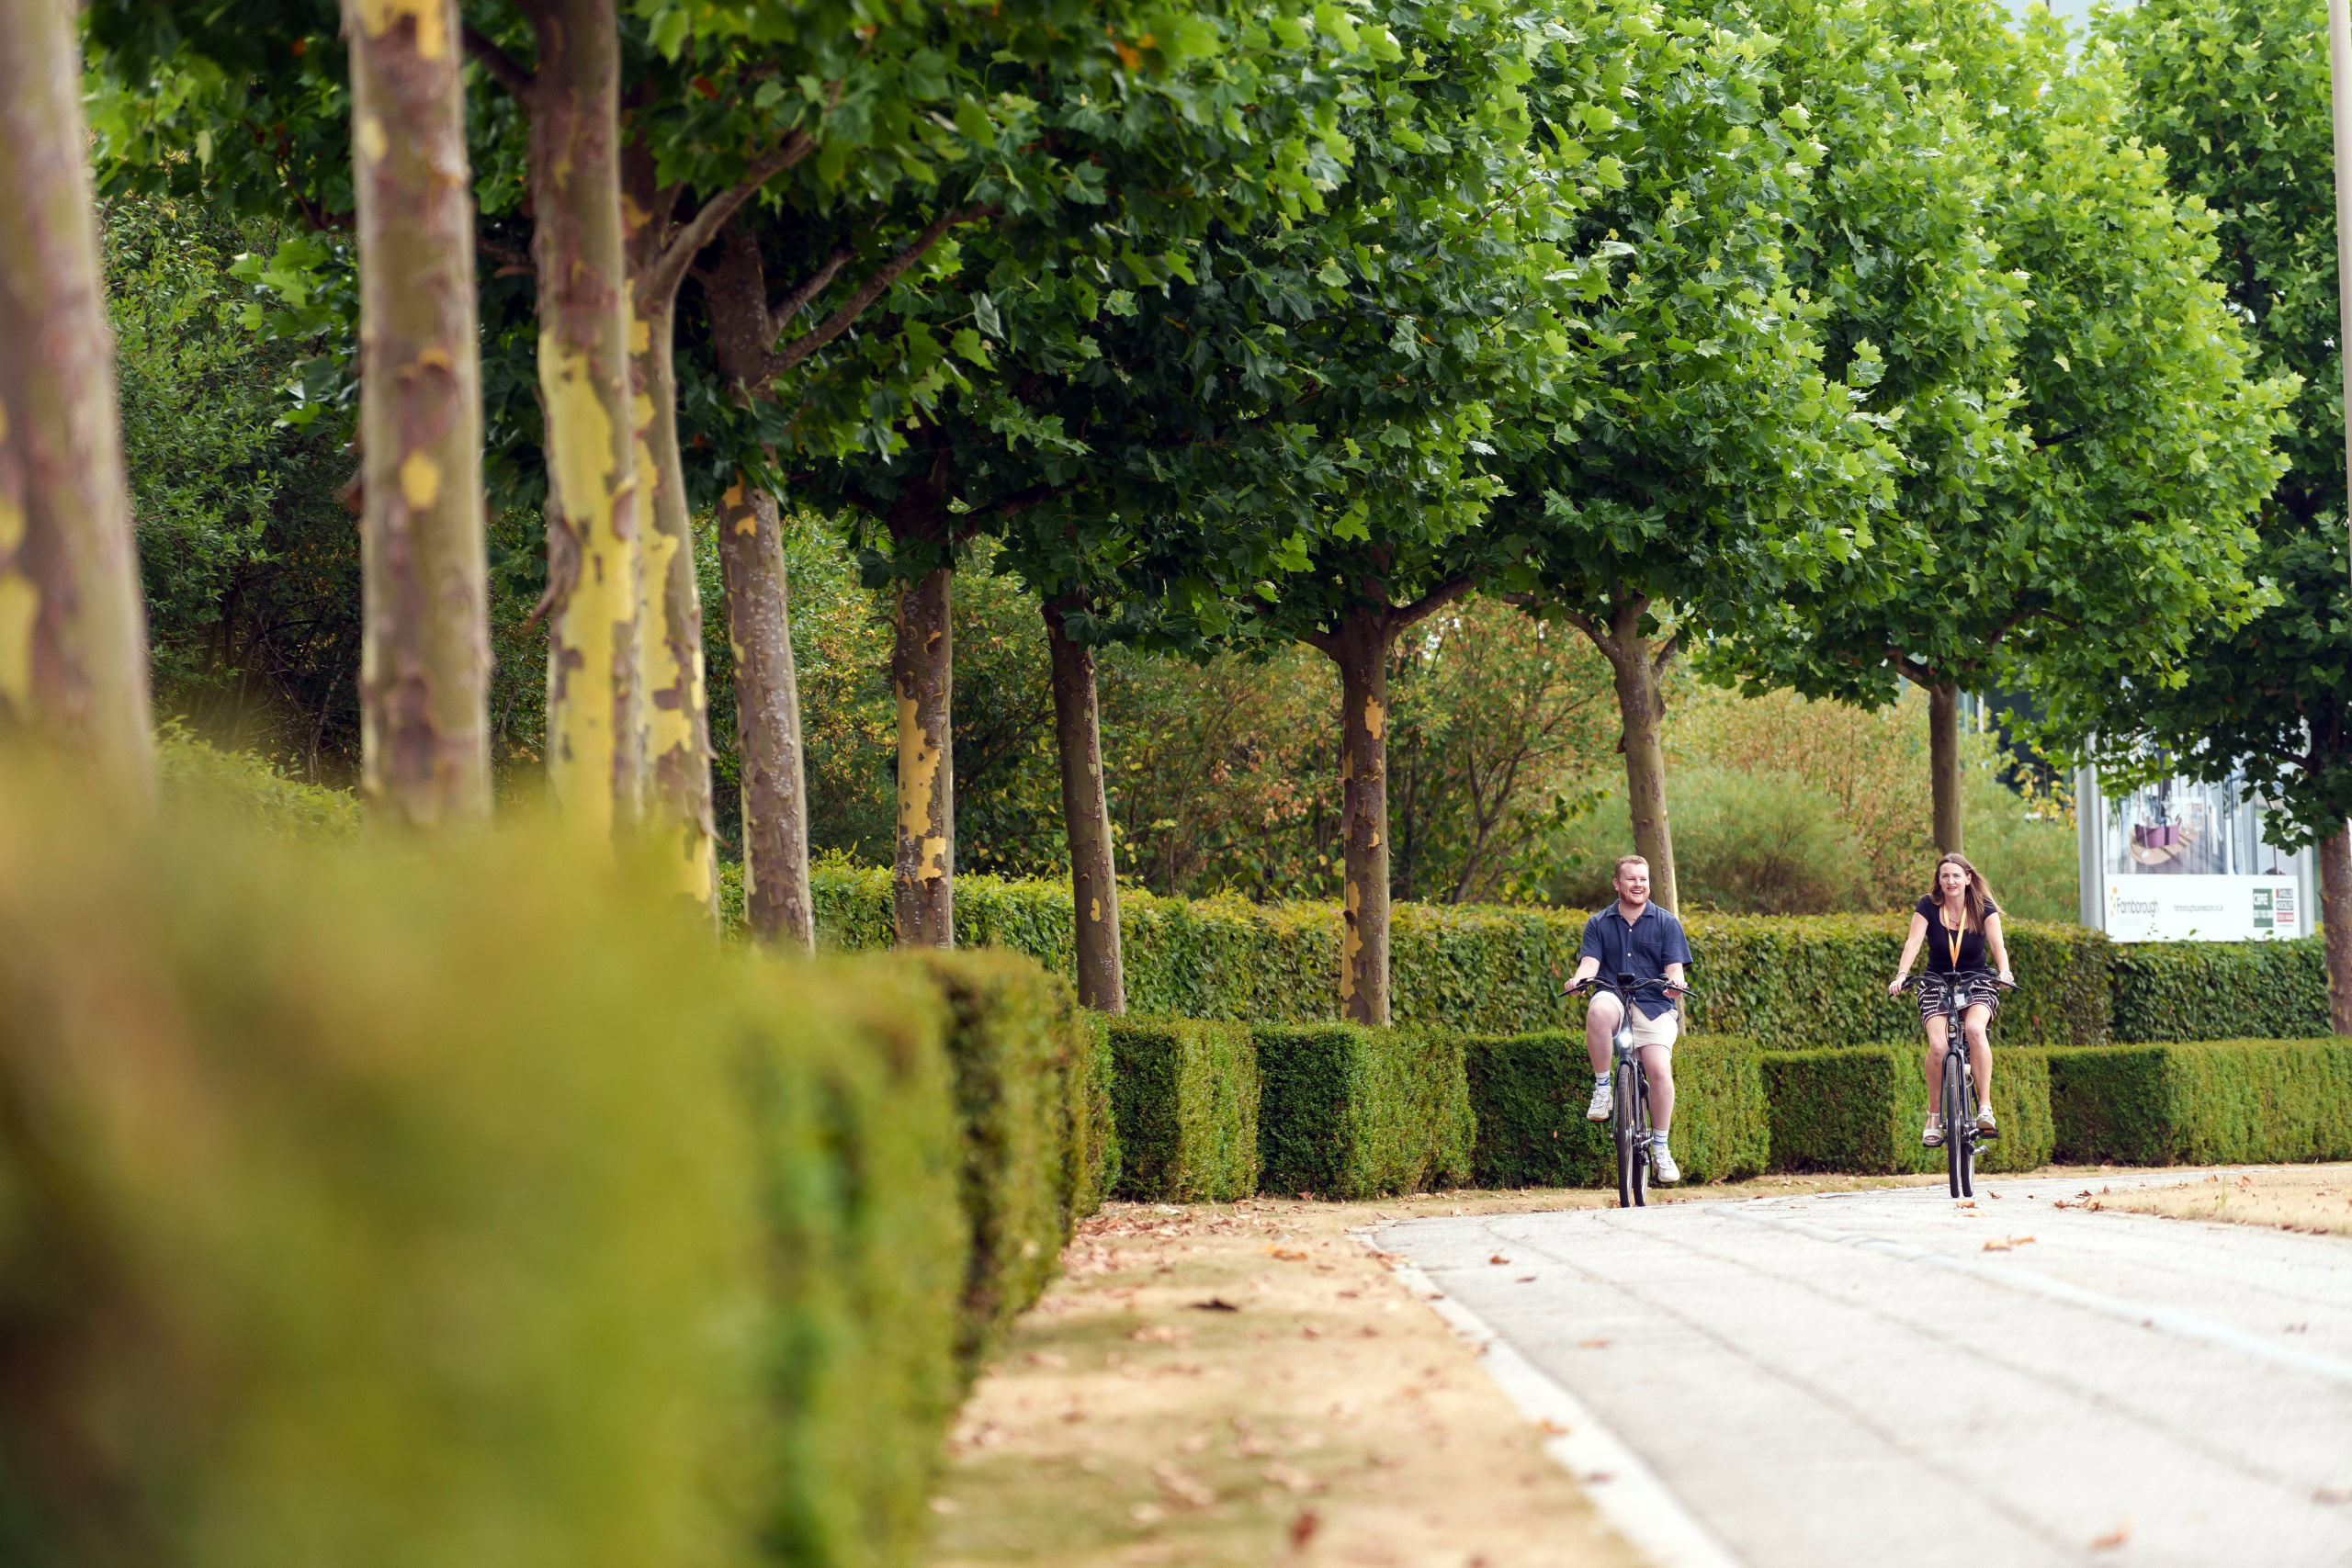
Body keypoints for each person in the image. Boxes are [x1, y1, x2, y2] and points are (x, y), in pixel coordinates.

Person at [1569, 854, 1691, 1182]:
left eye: (1644, 879)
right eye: (1631, 879)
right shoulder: (1599, 923)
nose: (1639, 885)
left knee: (1659, 1069)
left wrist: (1676, 985)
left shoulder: (1667, 923)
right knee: (1597, 1010)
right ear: (1617, 884)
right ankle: (1603, 1088)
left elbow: (1675, 969)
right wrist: (1580, 979)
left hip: (1654, 1002)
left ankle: (1662, 1148)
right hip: (1615, 995)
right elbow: (1590, 963)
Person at [1887, 852, 2013, 1147]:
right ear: (1939, 880)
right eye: (1945, 876)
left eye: (1957, 875)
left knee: (1974, 1030)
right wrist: (1902, 974)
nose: (1951, 881)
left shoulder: (1983, 907)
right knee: (1938, 1046)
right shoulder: (1928, 906)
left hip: (1978, 980)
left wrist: (2005, 972)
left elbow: (1997, 944)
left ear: (1968, 879)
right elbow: (1913, 942)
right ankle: (1933, 1117)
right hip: (1936, 982)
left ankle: (1985, 1108)